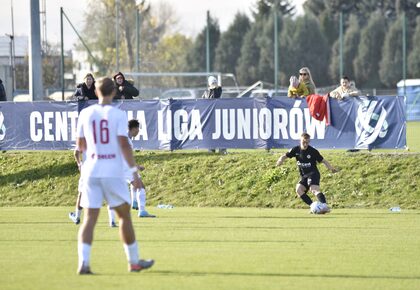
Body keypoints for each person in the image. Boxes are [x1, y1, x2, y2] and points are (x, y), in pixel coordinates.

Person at [75, 77, 154, 274]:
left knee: (89, 219)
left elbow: (80, 146)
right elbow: (125, 145)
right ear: (113, 93)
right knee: (124, 217)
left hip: (91, 170)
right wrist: (133, 172)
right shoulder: (118, 115)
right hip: (112, 170)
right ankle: (133, 261)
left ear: (96, 92)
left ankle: (84, 263)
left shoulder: (85, 113)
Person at [275, 133, 338, 213]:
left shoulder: (313, 151)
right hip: (304, 176)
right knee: (298, 190)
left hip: (313, 173)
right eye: (303, 142)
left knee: (314, 189)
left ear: (309, 141)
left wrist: (331, 168)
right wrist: (280, 160)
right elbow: (285, 155)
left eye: (307, 142)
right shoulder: (295, 150)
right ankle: (314, 207)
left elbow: (323, 161)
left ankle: (324, 206)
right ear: (300, 141)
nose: (305, 144)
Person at [68, 147, 118, 227]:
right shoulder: (102, 138)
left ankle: (77, 216)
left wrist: (79, 163)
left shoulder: (84, 137)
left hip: (87, 171)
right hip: (102, 169)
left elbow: (76, 152)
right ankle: (112, 220)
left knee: (82, 193)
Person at [125, 119, 156, 218]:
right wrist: (137, 166)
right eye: (138, 129)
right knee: (141, 187)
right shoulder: (127, 140)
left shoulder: (125, 138)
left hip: (120, 167)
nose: (138, 131)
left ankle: (134, 201)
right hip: (125, 167)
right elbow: (126, 156)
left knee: (134, 182)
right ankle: (142, 211)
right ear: (134, 128)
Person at [202, 76, 226, 154]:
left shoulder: (218, 90)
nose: (214, 84)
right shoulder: (206, 92)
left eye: (215, 82)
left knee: (220, 132)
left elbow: (215, 96)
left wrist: (214, 88)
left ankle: (222, 149)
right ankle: (211, 149)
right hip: (210, 116)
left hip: (218, 115)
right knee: (210, 133)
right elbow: (204, 101)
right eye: (212, 83)